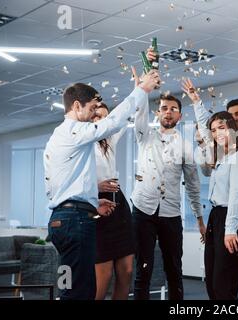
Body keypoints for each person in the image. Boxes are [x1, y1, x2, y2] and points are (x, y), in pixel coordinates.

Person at [44, 68, 160, 300]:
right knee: (80, 290)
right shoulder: (74, 131)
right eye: (91, 108)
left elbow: (63, 185)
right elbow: (114, 122)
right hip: (75, 221)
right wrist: (140, 90)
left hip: (64, 218)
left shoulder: (58, 136)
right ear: (77, 106)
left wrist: (93, 202)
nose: (94, 114)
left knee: (71, 286)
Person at [132, 49, 206, 301]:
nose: (168, 112)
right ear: (158, 112)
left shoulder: (185, 146)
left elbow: (194, 186)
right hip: (143, 210)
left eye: (173, 109)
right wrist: (142, 88)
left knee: (174, 269)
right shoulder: (144, 136)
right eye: (164, 108)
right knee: (143, 267)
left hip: (171, 214)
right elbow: (138, 114)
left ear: (179, 115)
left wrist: (199, 218)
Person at [182, 80, 238, 300]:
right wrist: (196, 102)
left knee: (223, 286)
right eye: (214, 130)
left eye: (222, 128)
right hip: (216, 218)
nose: (217, 133)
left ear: (232, 128)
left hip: (232, 220)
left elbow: (235, 195)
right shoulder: (220, 156)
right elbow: (205, 128)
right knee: (213, 284)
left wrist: (230, 229)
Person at [92, 103, 135, 300]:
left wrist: (140, 89)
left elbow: (123, 116)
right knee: (104, 274)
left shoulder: (110, 138)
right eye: (97, 116)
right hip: (96, 203)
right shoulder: (80, 143)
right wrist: (95, 186)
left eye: (105, 118)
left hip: (119, 203)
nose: (102, 121)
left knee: (126, 271)